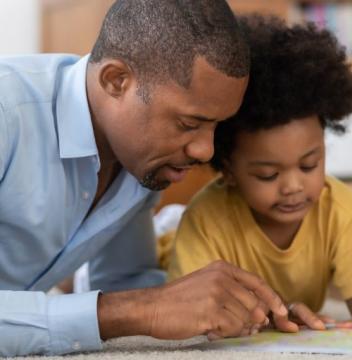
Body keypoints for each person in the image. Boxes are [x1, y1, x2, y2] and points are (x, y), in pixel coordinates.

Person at [0, 1, 293, 356]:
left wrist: (245, 311)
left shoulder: (140, 162)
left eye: (217, 126)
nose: (206, 151)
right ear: (116, 80)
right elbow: (135, 307)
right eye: (188, 124)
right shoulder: (8, 114)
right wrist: (142, 308)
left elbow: (127, 284)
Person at [166, 15, 352, 331]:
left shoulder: (339, 208)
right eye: (268, 175)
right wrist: (268, 317)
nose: (293, 186)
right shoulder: (206, 220)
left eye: (309, 165)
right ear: (228, 170)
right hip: (167, 253)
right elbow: (194, 313)